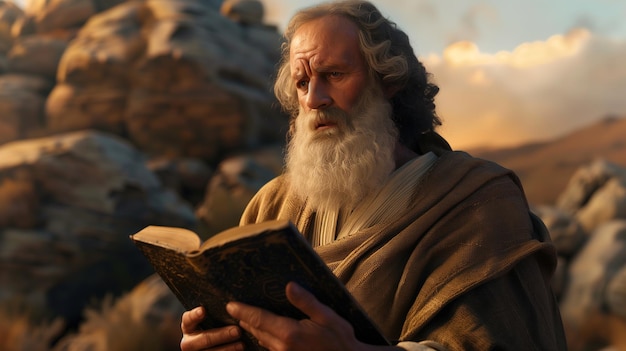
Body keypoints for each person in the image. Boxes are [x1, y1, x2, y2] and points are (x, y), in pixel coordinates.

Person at [180, 1, 568, 350]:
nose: (315, 99)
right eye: (302, 83)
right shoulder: (271, 205)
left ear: (389, 80)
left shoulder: (477, 201)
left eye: (333, 74)